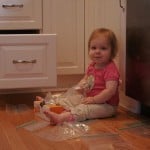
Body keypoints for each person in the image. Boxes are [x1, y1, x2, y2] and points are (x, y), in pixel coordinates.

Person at [37, 28, 120, 125]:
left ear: (112, 51)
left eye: (103, 48)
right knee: (71, 99)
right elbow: (85, 80)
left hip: (107, 106)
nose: (97, 51)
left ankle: (61, 118)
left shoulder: (110, 69)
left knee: (84, 110)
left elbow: (110, 91)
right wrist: (79, 87)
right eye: (93, 48)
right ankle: (49, 105)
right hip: (90, 99)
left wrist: (94, 100)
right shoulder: (92, 66)